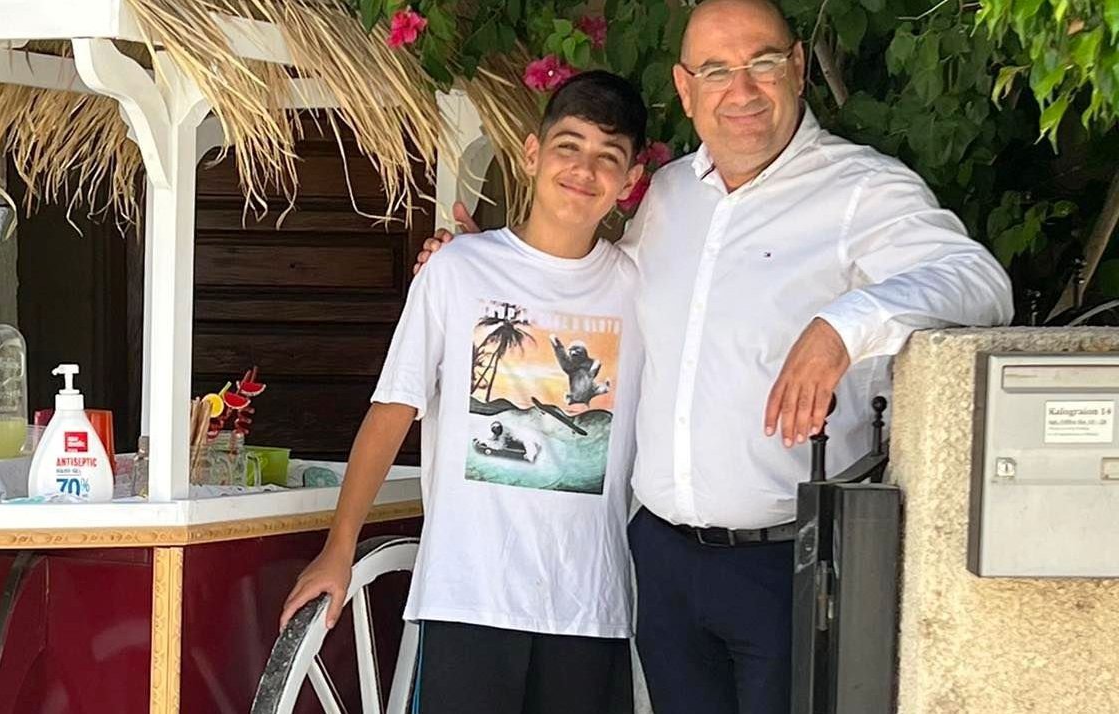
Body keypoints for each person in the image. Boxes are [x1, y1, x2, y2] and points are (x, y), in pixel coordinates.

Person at [416, 0, 1014, 711]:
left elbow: (979, 283)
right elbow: (587, 283)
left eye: (763, 63)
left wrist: (840, 327)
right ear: (686, 87)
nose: (742, 89)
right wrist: (483, 268)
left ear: (797, 67)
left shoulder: (860, 190)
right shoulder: (668, 196)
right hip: (663, 563)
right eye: (717, 70)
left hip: (787, 563)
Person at [280, 70, 649, 714]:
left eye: (607, 157)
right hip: (467, 596)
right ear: (532, 153)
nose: (584, 170)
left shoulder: (641, 287)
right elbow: (393, 410)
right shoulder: (456, 269)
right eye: (568, 146)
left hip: (588, 606)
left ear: (630, 181)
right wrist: (338, 549)